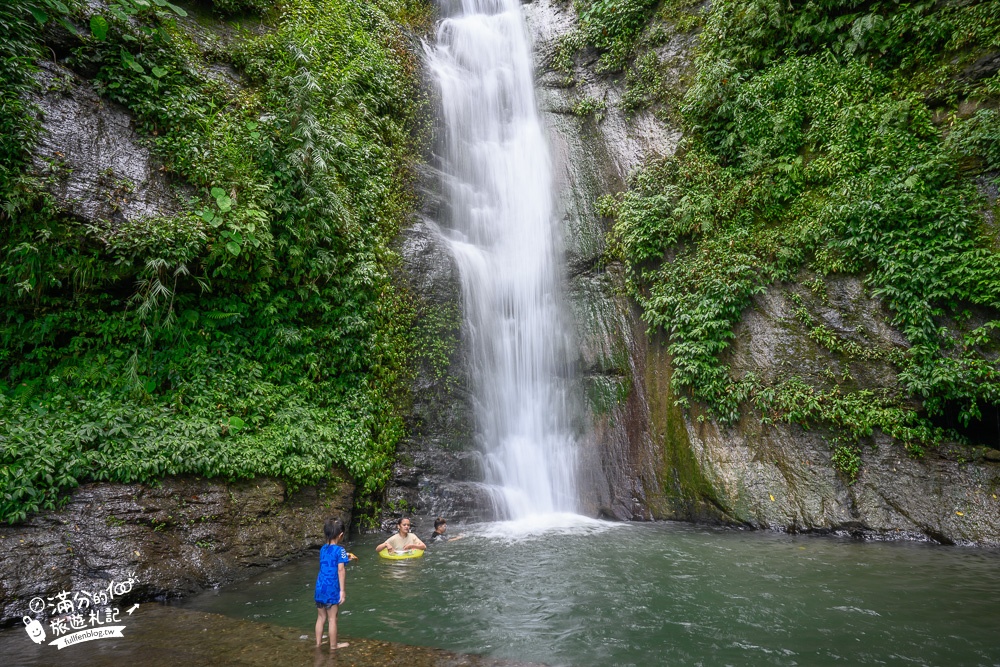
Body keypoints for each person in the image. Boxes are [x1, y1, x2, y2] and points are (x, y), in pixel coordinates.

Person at [314, 518, 351, 650]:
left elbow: (331, 560)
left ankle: (318, 643)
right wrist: (342, 591)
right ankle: (334, 646)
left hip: (319, 587)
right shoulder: (340, 550)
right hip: (331, 588)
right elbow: (340, 569)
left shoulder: (323, 549)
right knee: (332, 618)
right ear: (341, 535)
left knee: (321, 617)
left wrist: (345, 557)